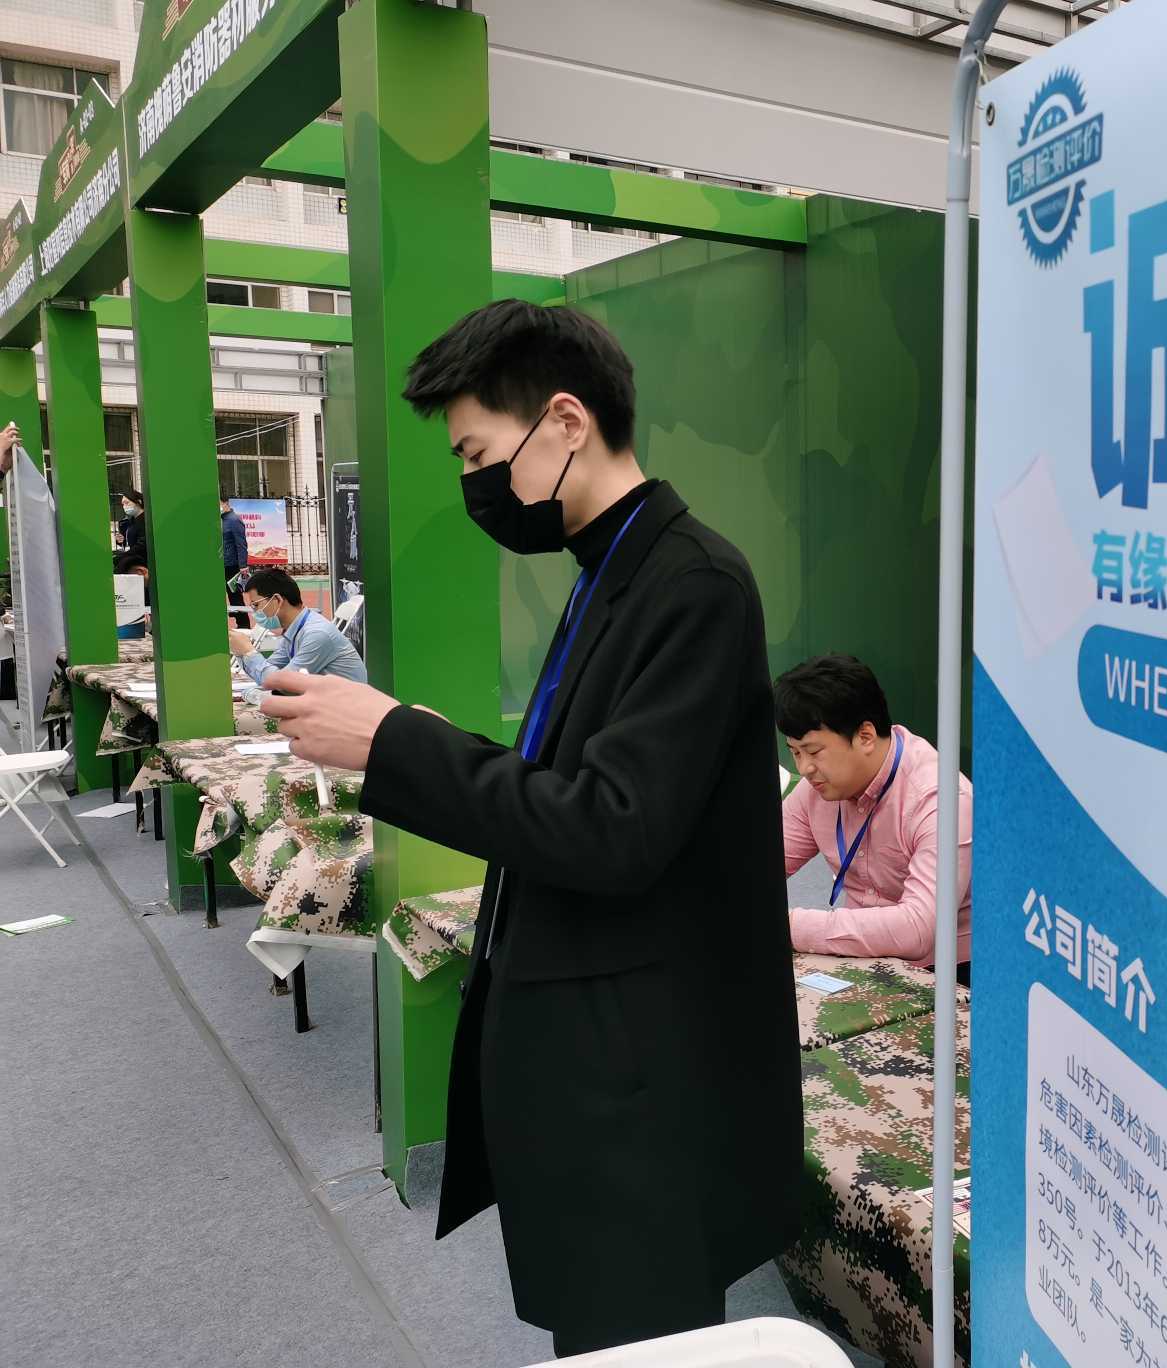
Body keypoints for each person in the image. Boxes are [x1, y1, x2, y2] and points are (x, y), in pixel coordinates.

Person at [257, 300, 801, 1356]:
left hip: (642, 1089)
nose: (477, 486)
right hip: (597, 1068)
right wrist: (410, 737)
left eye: (478, 454)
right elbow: (575, 790)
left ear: (565, 421)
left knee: (636, 1341)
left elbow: (611, 830)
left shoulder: (693, 584)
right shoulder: (615, 573)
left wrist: (394, 744)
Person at [776, 654, 974, 978]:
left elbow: (917, 929)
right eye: (795, 752)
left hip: (949, 974)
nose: (804, 768)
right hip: (857, 959)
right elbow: (754, 868)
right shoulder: (817, 789)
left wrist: (789, 926)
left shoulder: (940, 799)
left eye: (813, 751)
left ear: (865, 736)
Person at [227, 567, 366, 685]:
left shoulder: (317, 634)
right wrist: (240, 651)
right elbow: (265, 675)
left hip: (345, 706)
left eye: (256, 605)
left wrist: (249, 651)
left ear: (277, 600)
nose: (254, 612)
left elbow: (284, 684)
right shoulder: (294, 630)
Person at [220, 491, 248, 605]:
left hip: (232, 565)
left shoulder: (234, 520)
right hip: (221, 563)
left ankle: (241, 617)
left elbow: (241, 544)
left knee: (235, 596)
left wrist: (243, 566)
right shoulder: (219, 520)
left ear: (226, 503)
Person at [114, 489, 146, 571]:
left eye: (127, 503)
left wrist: (122, 556)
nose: (124, 506)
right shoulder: (130, 521)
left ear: (139, 502)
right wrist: (121, 540)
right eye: (123, 504)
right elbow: (130, 541)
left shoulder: (145, 520)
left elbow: (142, 545)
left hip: (142, 560)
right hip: (133, 557)